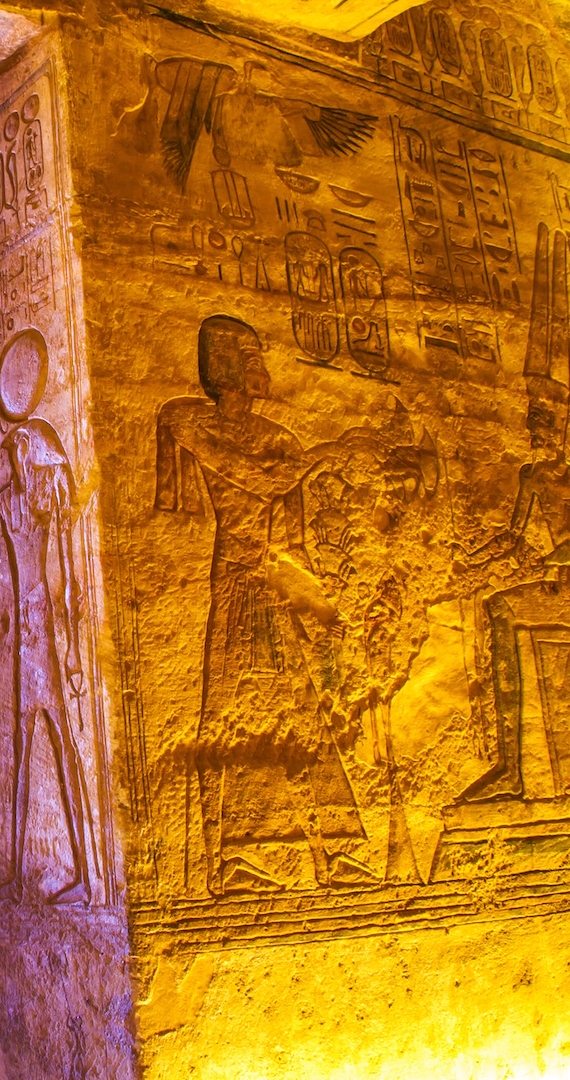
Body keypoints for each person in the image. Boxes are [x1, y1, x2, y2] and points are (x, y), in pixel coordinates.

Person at [156, 315, 363, 892]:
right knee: (235, 711)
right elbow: (254, 479)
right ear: (229, 369)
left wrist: (315, 604)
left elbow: (292, 535)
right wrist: (326, 452)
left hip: (270, 585)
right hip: (234, 580)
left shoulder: (280, 440)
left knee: (299, 711)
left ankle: (333, 848)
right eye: (252, 360)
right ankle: (236, 855)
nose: (263, 371)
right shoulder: (190, 422)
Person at [0, 329, 95, 904]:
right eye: (9, 451)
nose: (11, 457)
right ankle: (19, 871)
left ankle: (84, 872)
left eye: (18, 451)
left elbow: (64, 583)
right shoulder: (2, 507)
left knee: (61, 750)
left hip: (47, 639)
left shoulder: (46, 508)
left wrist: (70, 653)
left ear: (33, 457)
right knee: (21, 752)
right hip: (24, 641)